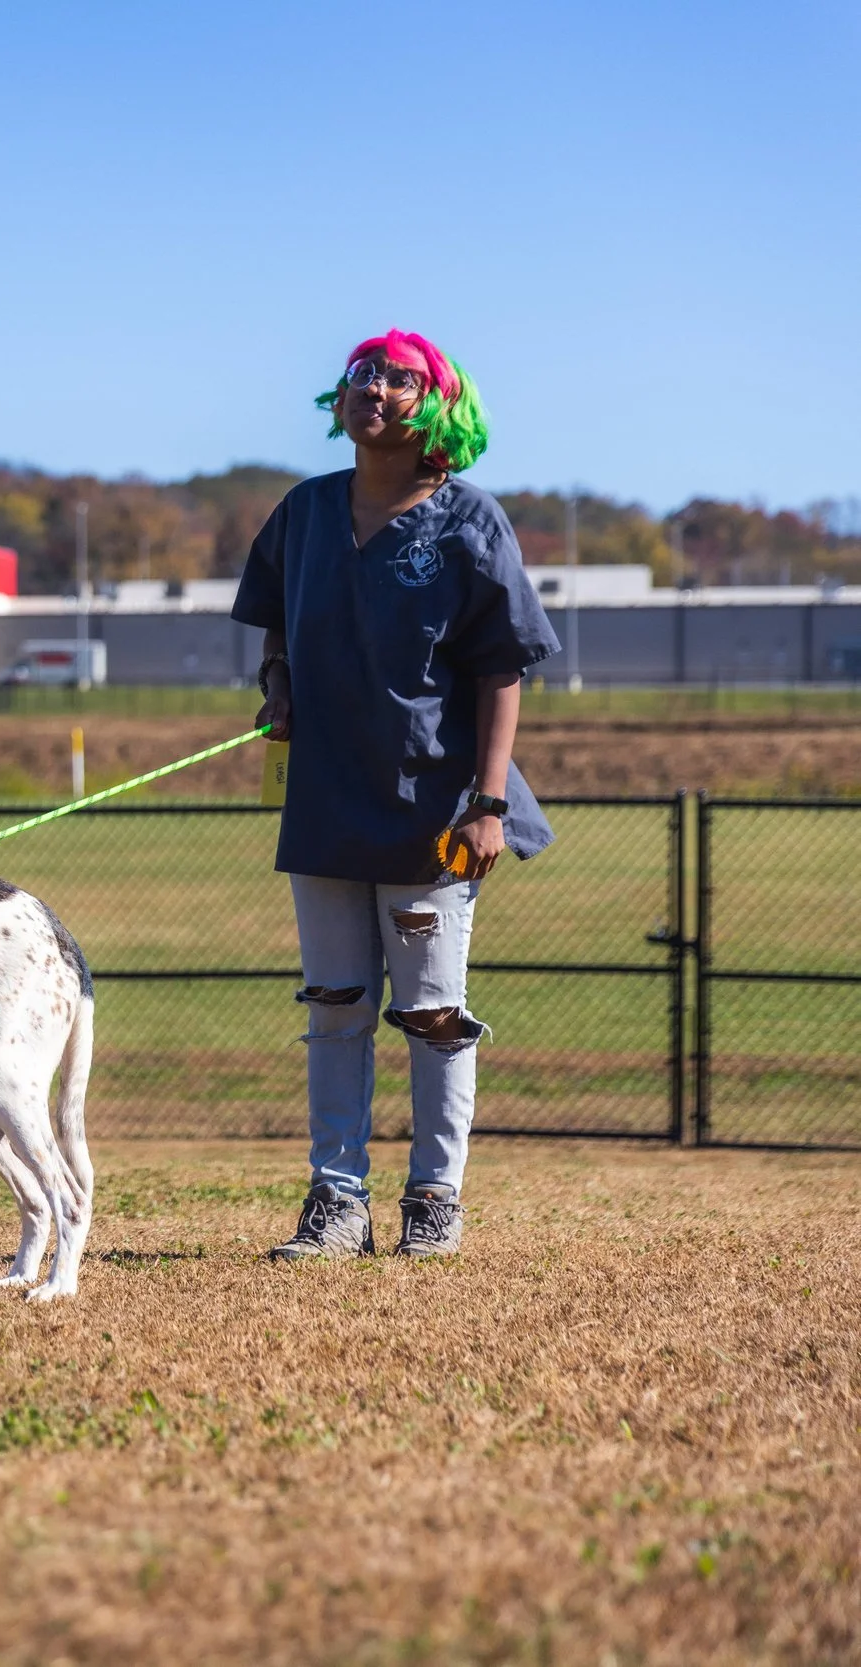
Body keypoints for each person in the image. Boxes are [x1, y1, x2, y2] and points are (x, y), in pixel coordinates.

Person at [233, 330, 559, 1261]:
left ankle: (433, 1200)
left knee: (431, 1013)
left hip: (435, 811)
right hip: (326, 805)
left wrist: (488, 803)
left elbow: (503, 670)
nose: (372, 384)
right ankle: (336, 1202)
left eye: (397, 375)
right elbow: (277, 631)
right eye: (361, 372)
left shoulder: (469, 520)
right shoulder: (301, 513)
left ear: (436, 407)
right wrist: (278, 682)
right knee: (334, 1006)